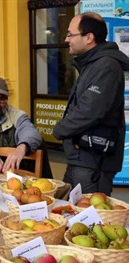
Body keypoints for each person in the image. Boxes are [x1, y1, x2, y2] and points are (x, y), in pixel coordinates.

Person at [53, 12, 129, 195]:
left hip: (93, 159)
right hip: (81, 156)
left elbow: (89, 110)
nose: (66, 39)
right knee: (70, 212)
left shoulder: (106, 66)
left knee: (90, 217)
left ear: (88, 38)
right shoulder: (91, 64)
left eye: (70, 34)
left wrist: (59, 130)